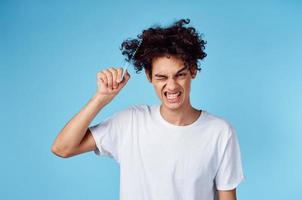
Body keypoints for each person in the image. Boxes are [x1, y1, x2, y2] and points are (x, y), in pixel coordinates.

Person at [51, 19, 245, 200]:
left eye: (180, 75)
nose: (171, 86)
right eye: (161, 77)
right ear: (149, 76)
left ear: (192, 71)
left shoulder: (220, 132)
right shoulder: (131, 122)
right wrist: (101, 99)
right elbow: (62, 148)